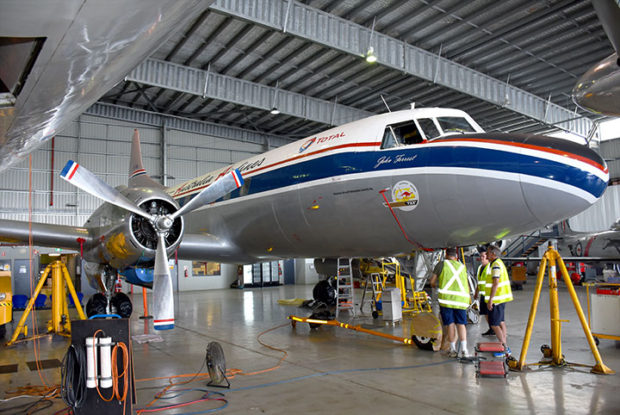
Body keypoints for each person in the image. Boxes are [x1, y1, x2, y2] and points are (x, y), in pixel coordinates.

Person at [430, 247, 471, 358]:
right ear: (456, 256)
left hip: (447, 301)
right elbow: (466, 284)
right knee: (461, 324)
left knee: (450, 324)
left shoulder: (441, 264)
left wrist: (437, 287)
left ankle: (452, 349)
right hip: (461, 300)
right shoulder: (462, 266)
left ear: (445, 255)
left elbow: (432, 281)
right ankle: (464, 350)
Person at [485, 243, 514, 356]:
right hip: (501, 298)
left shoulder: (495, 265)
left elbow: (495, 282)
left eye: (488, 252)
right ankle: (503, 345)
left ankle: (504, 348)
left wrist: (491, 299)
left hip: (497, 299)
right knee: (501, 322)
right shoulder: (498, 263)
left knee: (494, 324)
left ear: (493, 254)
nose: (486, 254)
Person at [473, 250, 493, 335]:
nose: (481, 258)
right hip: (482, 294)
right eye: (480, 256)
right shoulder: (480, 268)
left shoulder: (490, 267)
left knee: (491, 313)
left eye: (483, 257)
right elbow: (479, 281)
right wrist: (476, 292)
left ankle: (494, 328)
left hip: (488, 294)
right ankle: (491, 328)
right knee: (485, 313)